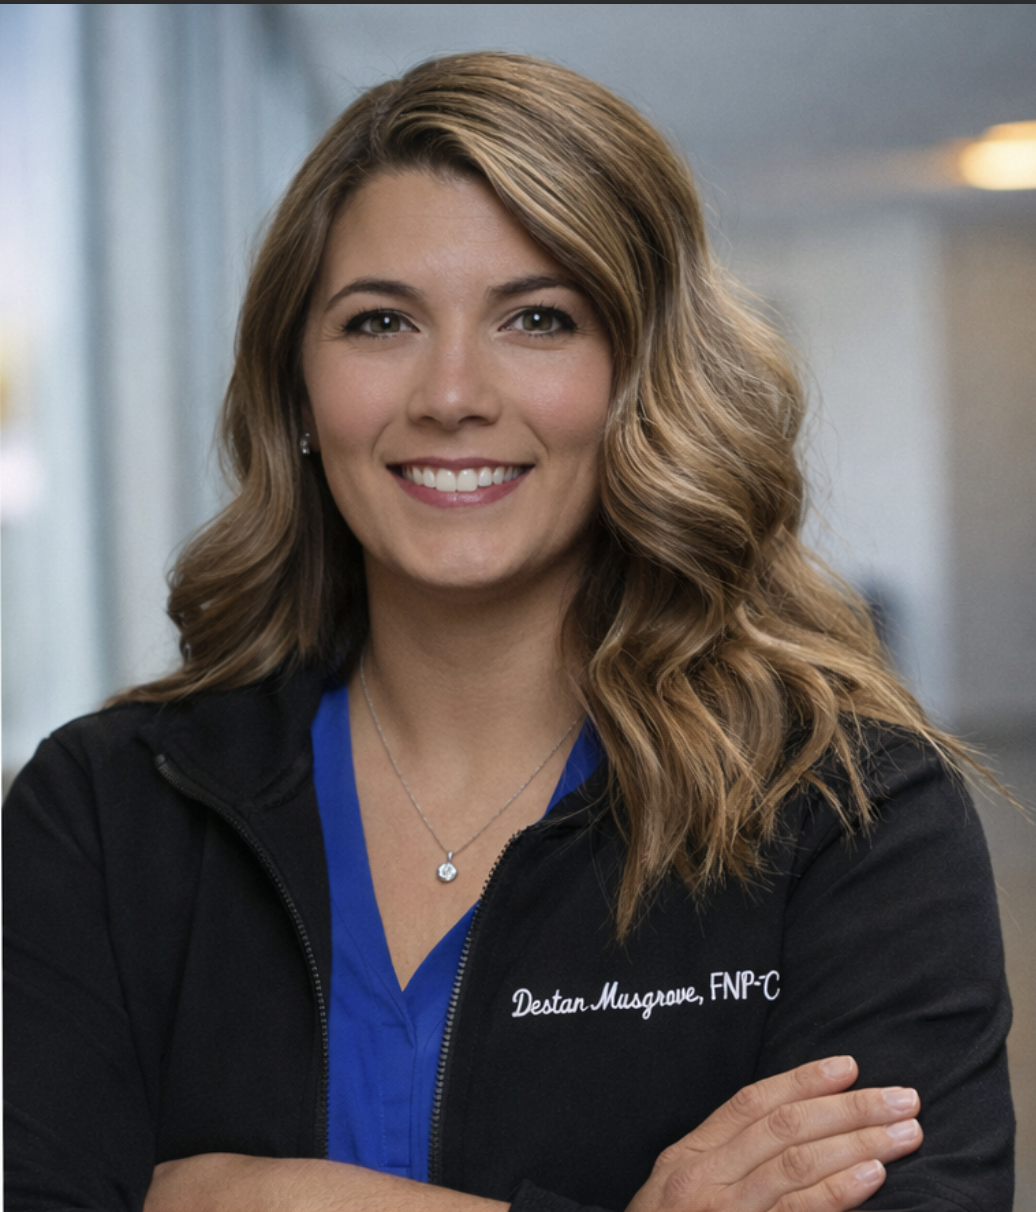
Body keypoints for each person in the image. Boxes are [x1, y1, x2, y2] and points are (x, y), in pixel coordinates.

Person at [3, 51, 1013, 1212]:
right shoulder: (106, 810)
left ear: (643, 376)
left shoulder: (845, 813)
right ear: (297, 389)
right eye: (379, 321)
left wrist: (246, 1198)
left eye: (538, 318)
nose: (451, 393)